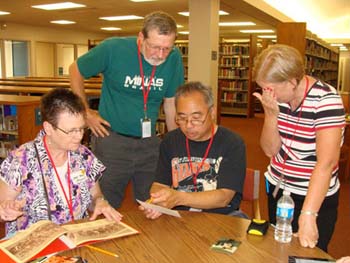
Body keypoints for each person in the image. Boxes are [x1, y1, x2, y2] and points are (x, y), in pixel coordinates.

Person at [69, 11, 184, 209]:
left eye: (167, 48)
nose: (161, 55)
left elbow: (171, 102)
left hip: (150, 143)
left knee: (153, 205)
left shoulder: (173, 59)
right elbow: (75, 70)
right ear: (141, 38)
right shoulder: (113, 48)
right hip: (111, 140)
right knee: (104, 203)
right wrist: (85, 112)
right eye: (155, 47)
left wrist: (174, 145)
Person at [252, 44, 345, 251]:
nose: (268, 94)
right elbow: (269, 150)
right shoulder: (277, 100)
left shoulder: (325, 100)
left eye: (272, 89)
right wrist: (271, 115)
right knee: (279, 251)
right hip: (279, 189)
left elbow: (326, 163)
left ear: (293, 81)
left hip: (313, 196)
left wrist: (309, 214)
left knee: (310, 253)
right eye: (263, 88)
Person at [0, 89, 122, 237]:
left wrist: (100, 202)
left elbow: (95, 194)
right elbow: (3, 207)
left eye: (82, 129)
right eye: (71, 131)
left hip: (77, 237)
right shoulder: (21, 159)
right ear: (48, 128)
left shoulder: (84, 155)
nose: (79, 137)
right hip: (35, 242)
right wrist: (6, 210)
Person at [140, 81, 246, 219]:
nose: (188, 125)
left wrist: (178, 198)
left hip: (221, 217)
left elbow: (224, 197)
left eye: (196, 118)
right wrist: (157, 201)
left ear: (212, 112)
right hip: (179, 215)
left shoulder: (232, 143)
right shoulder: (170, 141)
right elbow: (160, 184)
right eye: (182, 118)